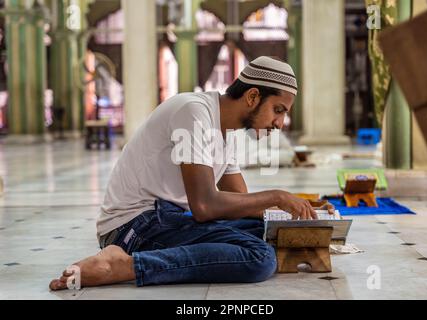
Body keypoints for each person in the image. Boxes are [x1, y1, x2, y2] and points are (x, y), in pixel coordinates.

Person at [49, 56, 327, 290]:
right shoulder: (193, 112)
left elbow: (239, 203)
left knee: (263, 232)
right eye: (278, 110)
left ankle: (135, 259)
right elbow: (205, 206)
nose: (279, 123)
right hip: (132, 226)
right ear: (253, 96)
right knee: (260, 258)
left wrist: (299, 210)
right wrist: (276, 195)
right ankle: (126, 265)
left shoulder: (224, 130)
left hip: (167, 217)